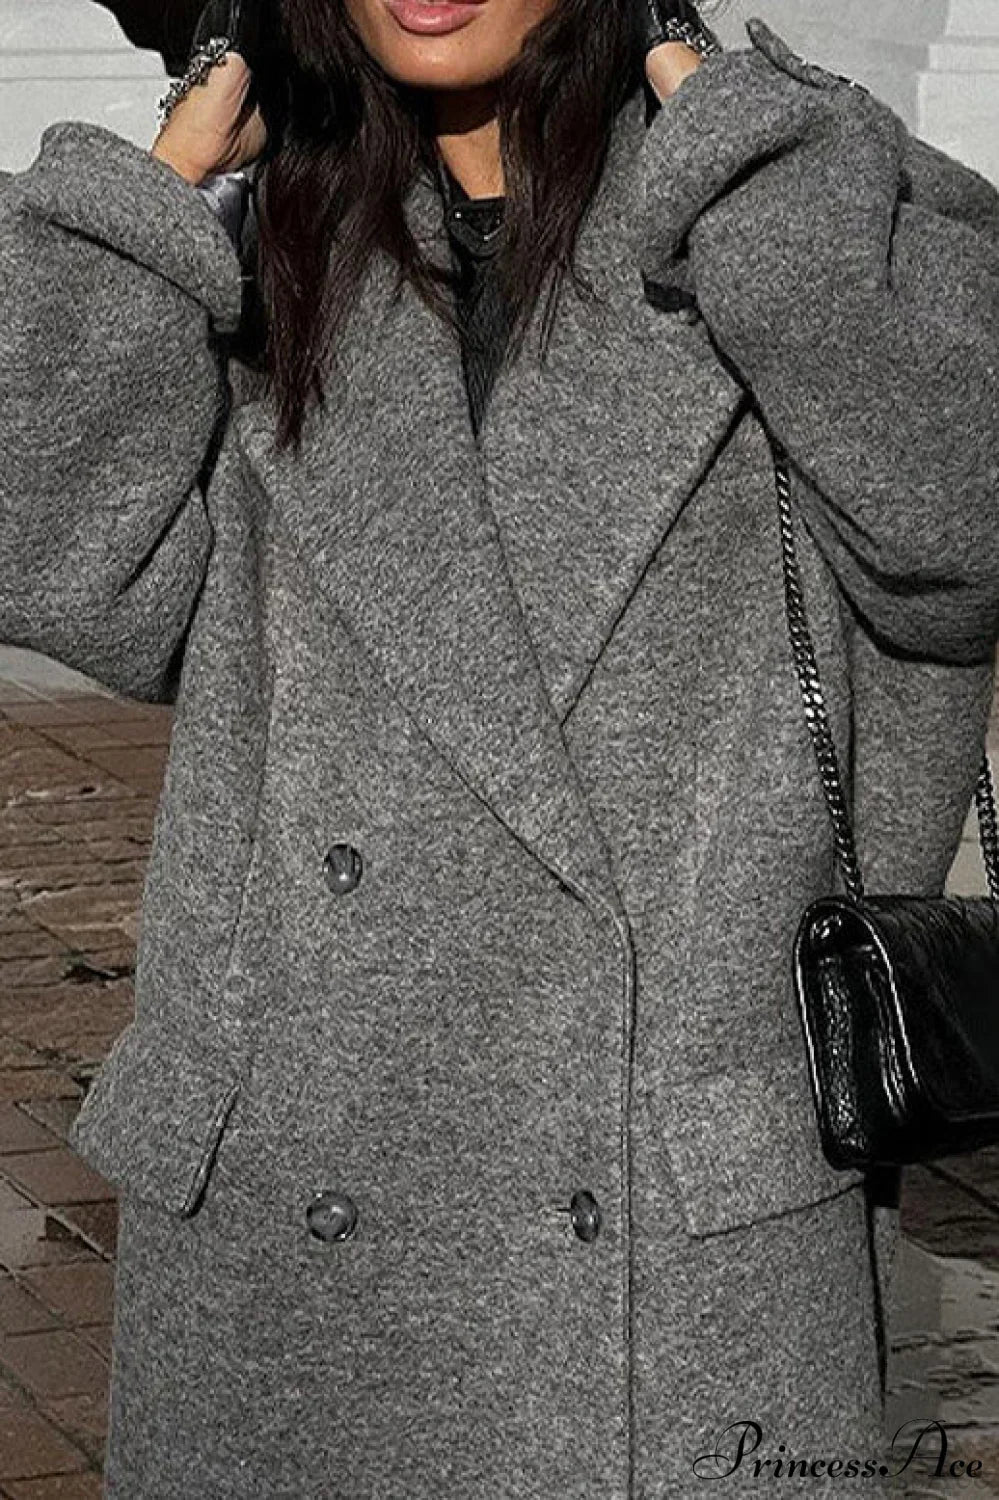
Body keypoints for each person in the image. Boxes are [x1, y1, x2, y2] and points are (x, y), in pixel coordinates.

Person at [1, 1, 997, 1494]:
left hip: (668, 1247)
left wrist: (729, 135)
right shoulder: (281, 240)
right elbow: (50, 559)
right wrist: (173, 162)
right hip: (285, 1239)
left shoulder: (802, 211)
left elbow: (960, 528)